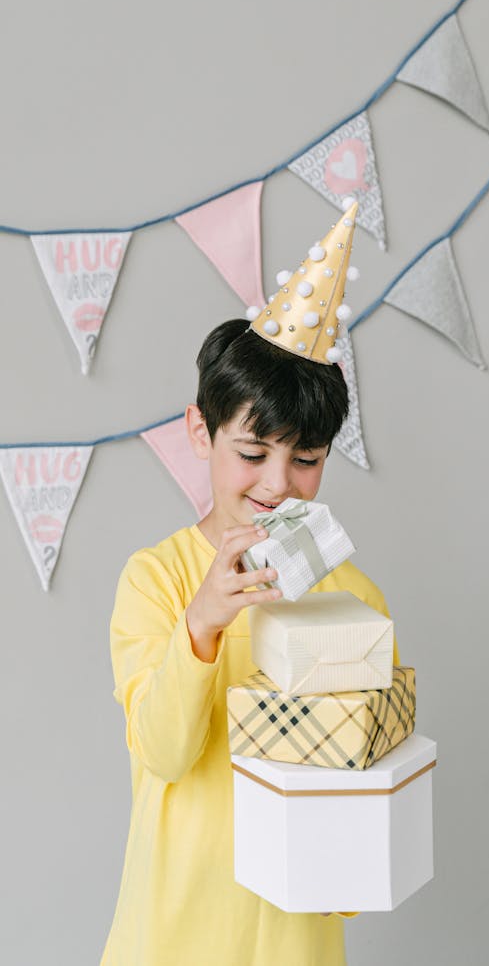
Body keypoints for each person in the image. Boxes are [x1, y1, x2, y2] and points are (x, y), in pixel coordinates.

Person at [100, 218, 395, 965]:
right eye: (253, 452)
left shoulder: (353, 593)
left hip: (293, 937)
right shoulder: (155, 580)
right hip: (172, 931)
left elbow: (361, 782)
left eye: (307, 459)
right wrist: (202, 622)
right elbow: (165, 756)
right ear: (200, 431)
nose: (277, 484)